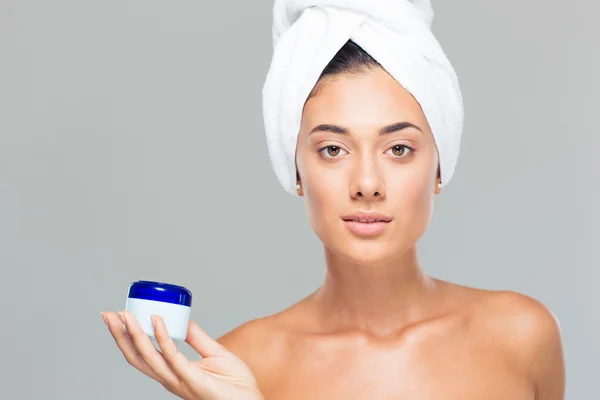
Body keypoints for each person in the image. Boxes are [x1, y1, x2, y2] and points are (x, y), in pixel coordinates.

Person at [101, 4, 566, 400]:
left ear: (440, 167)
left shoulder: (522, 335)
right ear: (296, 172)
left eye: (399, 149)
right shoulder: (240, 363)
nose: (366, 183)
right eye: (333, 150)